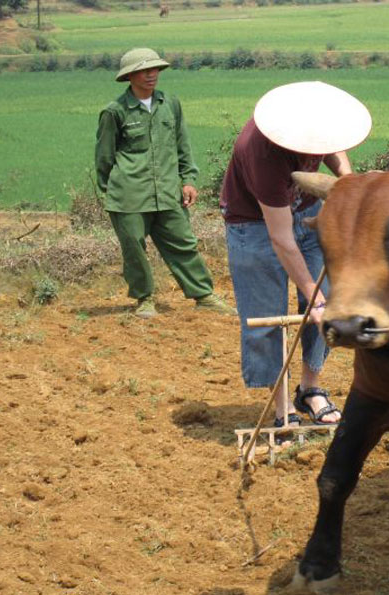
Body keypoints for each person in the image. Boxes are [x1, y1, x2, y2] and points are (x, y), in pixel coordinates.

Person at [220, 81, 372, 428]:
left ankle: (310, 388)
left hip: (306, 211)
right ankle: (282, 404)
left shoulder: (319, 132)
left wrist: (347, 181)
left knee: (330, 301)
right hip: (255, 226)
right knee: (267, 317)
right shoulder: (262, 153)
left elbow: (332, 149)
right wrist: (312, 295)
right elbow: (282, 238)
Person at [95, 47, 236, 319]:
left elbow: (183, 145)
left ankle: (203, 295)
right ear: (130, 76)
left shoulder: (170, 104)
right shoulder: (114, 112)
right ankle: (144, 299)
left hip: (169, 192)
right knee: (134, 248)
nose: (152, 75)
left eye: (155, 69)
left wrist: (189, 180)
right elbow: (104, 158)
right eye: (145, 70)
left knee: (183, 242)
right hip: (129, 195)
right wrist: (111, 194)